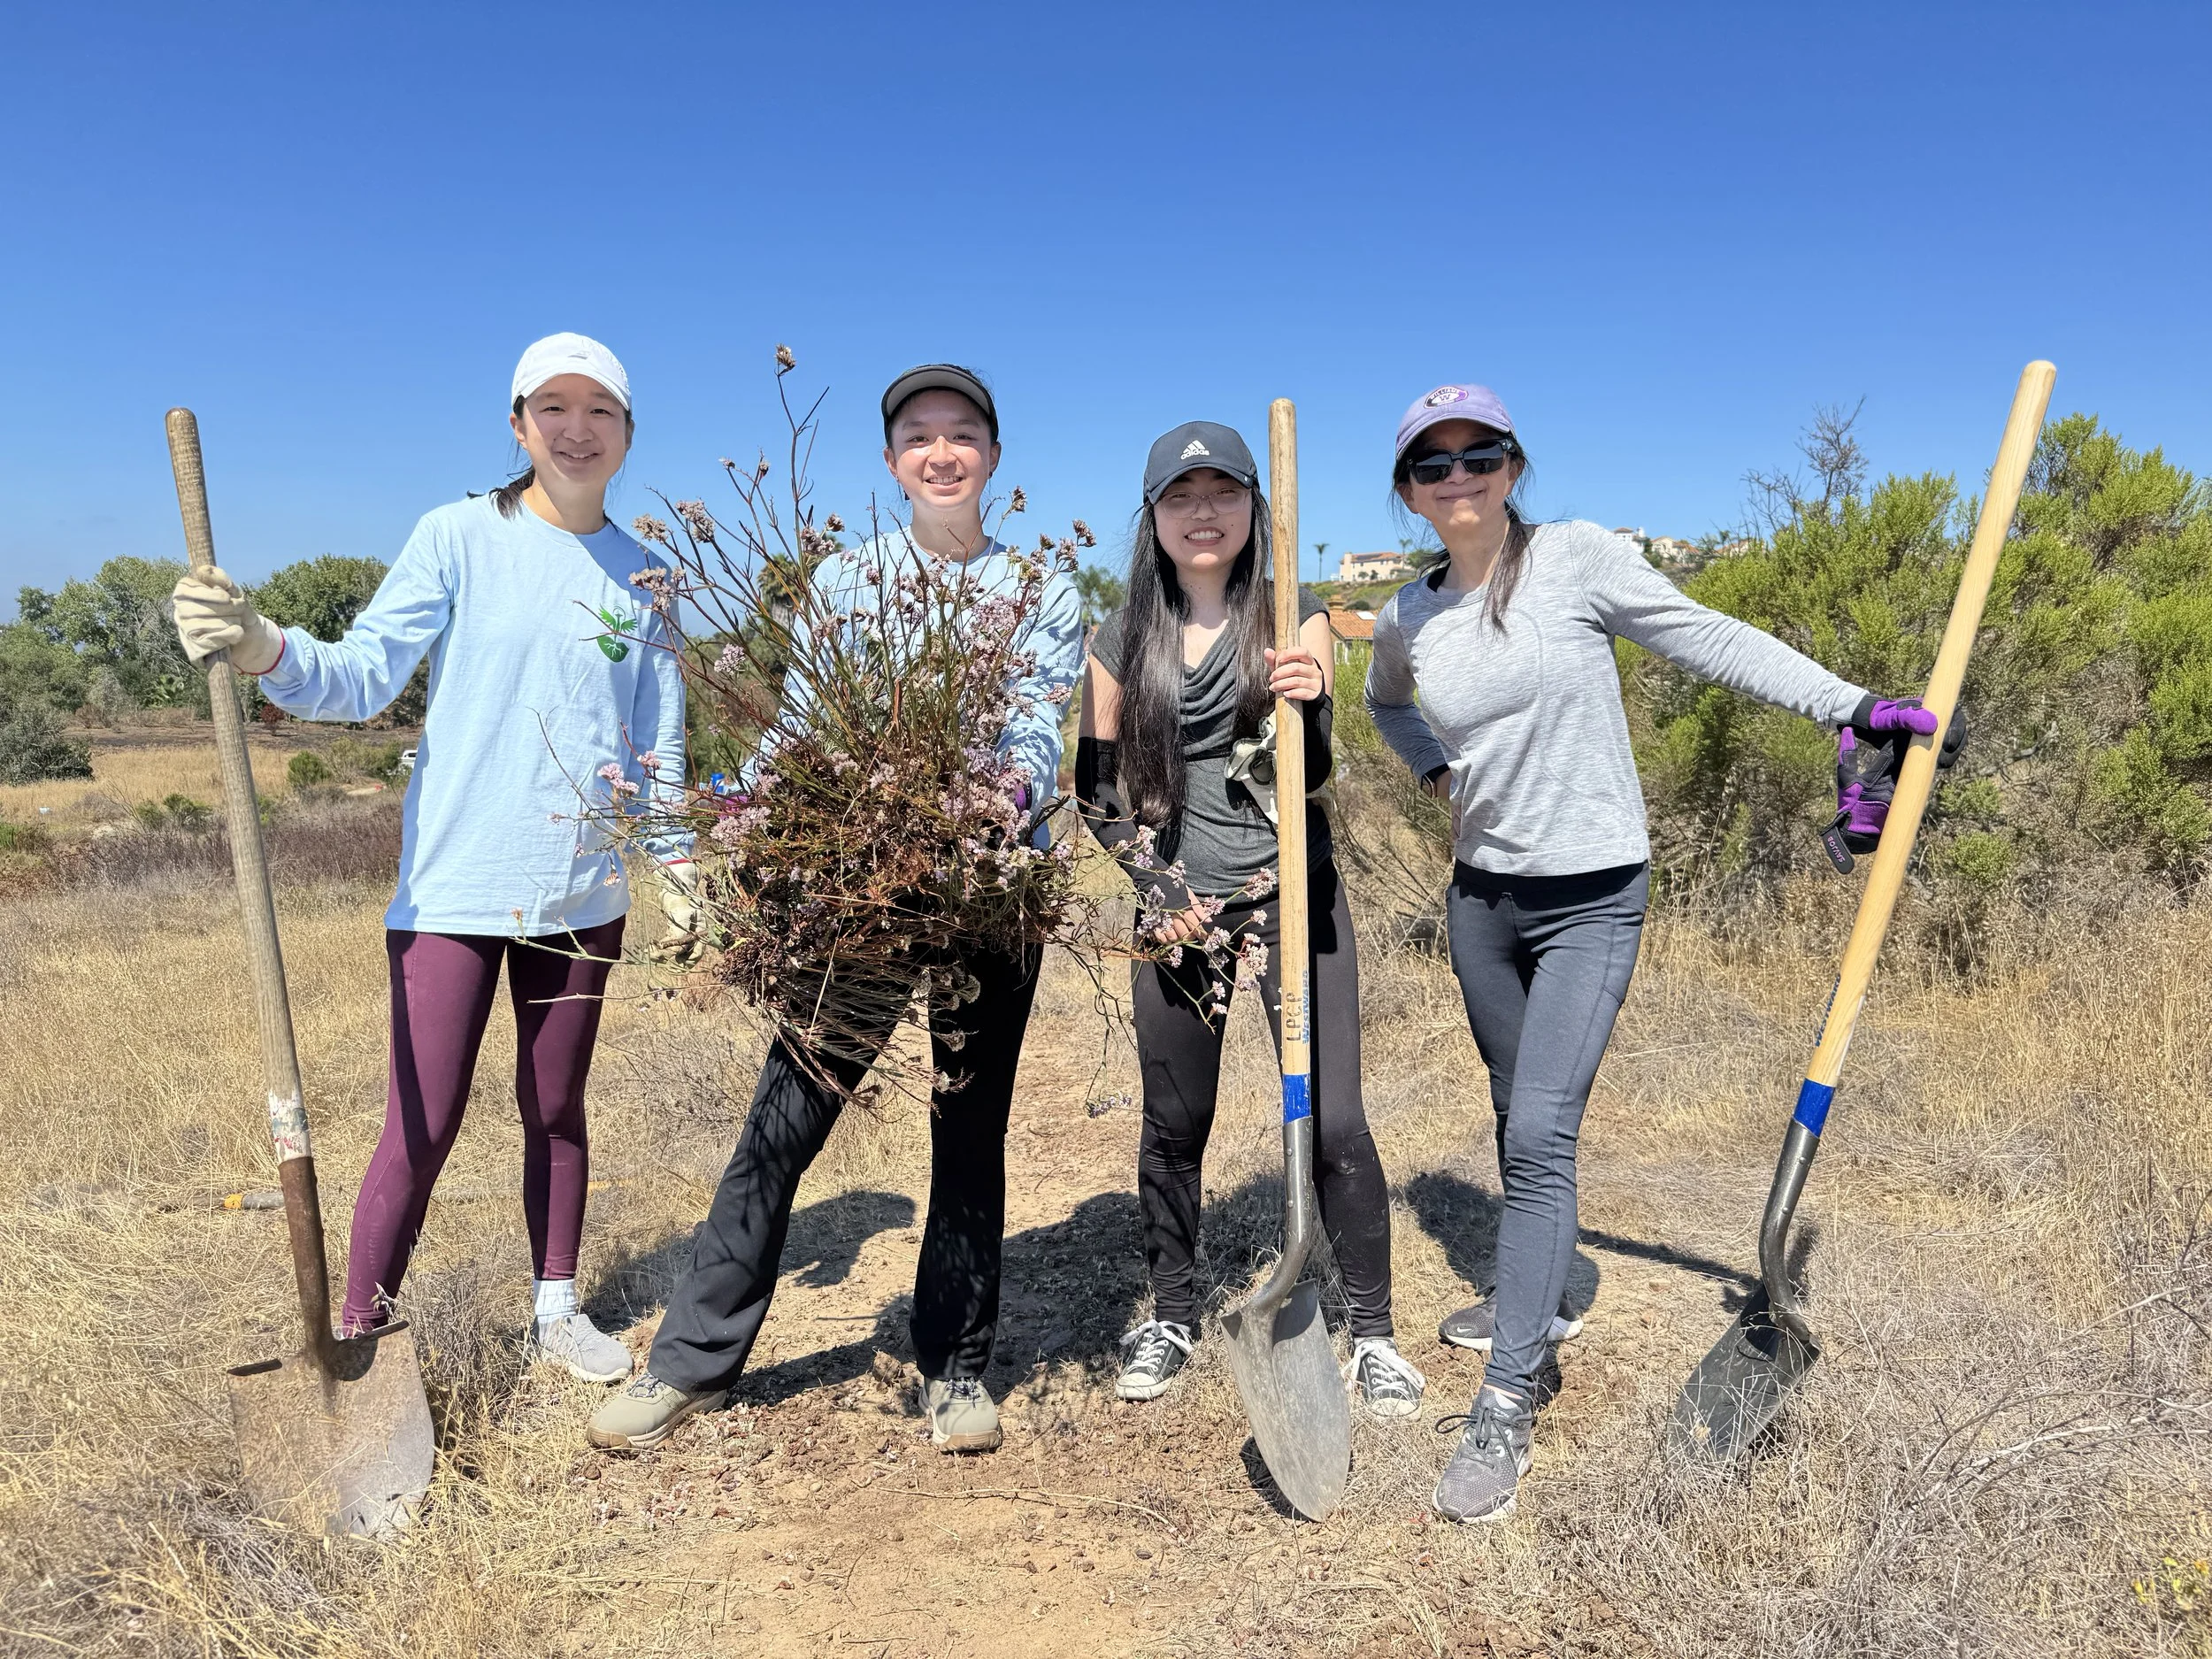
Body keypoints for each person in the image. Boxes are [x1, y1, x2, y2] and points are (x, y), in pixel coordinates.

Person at [1364, 383, 1947, 1523]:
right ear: (1409, 494)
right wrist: (1436, 772)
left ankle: (1507, 1393)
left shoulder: (1575, 559)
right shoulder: (1404, 619)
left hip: (1590, 897)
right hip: (1482, 901)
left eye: (1480, 453)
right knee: (1510, 1103)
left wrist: (1855, 705)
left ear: (1513, 465)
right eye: (1433, 466)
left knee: (1539, 1129)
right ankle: (1535, 1293)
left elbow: (1705, 636)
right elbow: (1388, 709)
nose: (1459, 476)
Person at [170, 333, 692, 1384]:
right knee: (421, 1120)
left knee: (554, 1108)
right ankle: (362, 1338)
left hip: (583, 896)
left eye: (600, 410)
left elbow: (657, 746)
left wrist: (677, 867)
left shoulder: (648, 578)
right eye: (554, 407)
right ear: (517, 424)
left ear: (629, 433)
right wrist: (259, 643)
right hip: (453, 892)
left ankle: (555, 1308)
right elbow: (359, 678)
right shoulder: (457, 537)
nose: (576, 429)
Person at [588, 364, 1085, 1455]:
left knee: (968, 1129)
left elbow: (1040, 731)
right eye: (919, 435)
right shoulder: (849, 581)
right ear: (892, 461)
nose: (941, 451)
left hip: (991, 889)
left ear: (994, 461)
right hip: (860, 893)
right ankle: (688, 1363)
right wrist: (742, 807)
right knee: (786, 1115)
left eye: (962, 434)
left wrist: (995, 800)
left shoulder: (1042, 588)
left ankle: (953, 1368)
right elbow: (807, 719)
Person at [1077, 421, 1425, 1418]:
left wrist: (1309, 706)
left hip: (1291, 899)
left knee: (1336, 1121)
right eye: (1180, 495)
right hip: (1180, 915)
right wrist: (1159, 895)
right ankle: (1174, 1312)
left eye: (1222, 491)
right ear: (1152, 516)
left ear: (1251, 508)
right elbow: (1097, 793)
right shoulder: (1118, 636)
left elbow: (1307, 775)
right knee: (1175, 1123)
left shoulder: (1292, 618)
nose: (1202, 511)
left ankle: (1372, 1336)